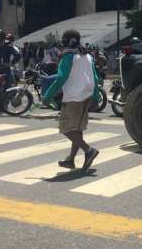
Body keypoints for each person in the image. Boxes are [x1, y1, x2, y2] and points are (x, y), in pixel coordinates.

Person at [41, 29, 101, 171]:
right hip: (87, 95)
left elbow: (61, 78)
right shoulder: (87, 56)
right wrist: (96, 96)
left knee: (66, 129)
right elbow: (95, 77)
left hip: (74, 97)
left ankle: (89, 150)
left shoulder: (67, 56)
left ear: (65, 41)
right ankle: (71, 160)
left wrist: (47, 96)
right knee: (76, 129)